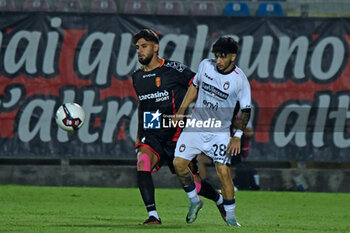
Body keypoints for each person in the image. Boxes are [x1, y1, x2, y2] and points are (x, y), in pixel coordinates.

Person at [131, 29, 226, 225]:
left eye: (144, 46)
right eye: (137, 47)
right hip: (152, 135)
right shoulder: (137, 77)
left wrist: (186, 111)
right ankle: (153, 216)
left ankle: (219, 199)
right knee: (142, 162)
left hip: (177, 136)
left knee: (195, 184)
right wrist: (139, 135)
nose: (140, 51)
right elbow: (143, 106)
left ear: (155, 47)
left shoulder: (174, 69)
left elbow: (199, 84)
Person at [173, 36, 251, 227]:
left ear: (233, 57)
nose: (219, 61)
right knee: (179, 165)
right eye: (217, 56)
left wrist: (237, 136)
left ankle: (231, 218)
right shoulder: (205, 66)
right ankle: (195, 201)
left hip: (220, 133)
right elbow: (194, 87)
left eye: (223, 57)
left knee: (223, 172)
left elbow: (246, 111)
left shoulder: (240, 81)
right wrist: (181, 111)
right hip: (196, 126)